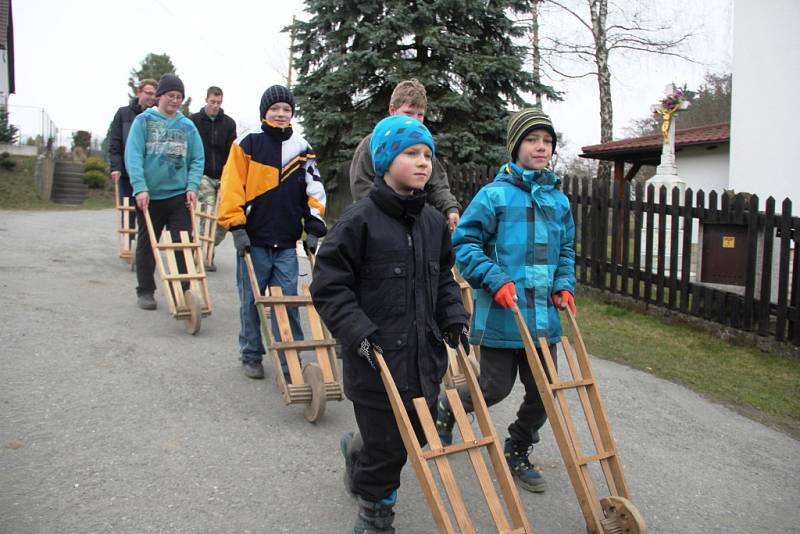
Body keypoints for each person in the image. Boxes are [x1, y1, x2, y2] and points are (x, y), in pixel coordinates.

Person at [311, 115, 468, 533]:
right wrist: (359, 333)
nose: (423, 163)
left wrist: (453, 317)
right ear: (384, 161)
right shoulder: (357, 222)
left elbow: (443, 280)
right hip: (375, 362)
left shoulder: (434, 223)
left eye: (427, 155)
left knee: (413, 436)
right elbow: (329, 286)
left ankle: (357, 451)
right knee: (387, 450)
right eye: (411, 153)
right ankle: (375, 513)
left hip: (422, 361)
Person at [435, 106, 576, 494]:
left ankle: (518, 446)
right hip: (502, 313)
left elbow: (565, 250)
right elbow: (463, 243)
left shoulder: (558, 202)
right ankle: (449, 405)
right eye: (532, 140)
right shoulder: (494, 196)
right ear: (516, 146)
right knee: (494, 388)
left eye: (547, 141)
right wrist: (493, 278)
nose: (541, 147)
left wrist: (565, 284)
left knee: (546, 394)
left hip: (544, 318)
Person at [217, 85, 327, 380]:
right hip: (253, 241)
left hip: (287, 244)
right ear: (264, 112)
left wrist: (314, 227)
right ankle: (251, 353)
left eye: (286, 109)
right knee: (252, 301)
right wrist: (236, 227)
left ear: (292, 113)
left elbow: (314, 190)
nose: (280, 114)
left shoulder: (302, 148)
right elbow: (230, 187)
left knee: (288, 302)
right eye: (275, 109)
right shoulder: (247, 144)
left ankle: (290, 357)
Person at [125, 74, 205, 310]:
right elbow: (134, 155)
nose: (175, 100)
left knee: (182, 243)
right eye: (171, 95)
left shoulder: (187, 126)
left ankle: (184, 291)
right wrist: (139, 188)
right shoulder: (144, 121)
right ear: (160, 95)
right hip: (149, 196)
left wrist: (192, 186)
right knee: (148, 243)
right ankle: (146, 291)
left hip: (178, 195)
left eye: (179, 97)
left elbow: (197, 159)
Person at [349, 79, 462, 231]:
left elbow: (437, 184)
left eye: (420, 115)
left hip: (414, 222)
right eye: (408, 113)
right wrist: (380, 216)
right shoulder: (373, 144)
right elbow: (361, 186)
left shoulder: (423, 146)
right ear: (393, 110)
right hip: (377, 225)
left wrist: (450, 208)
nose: (414, 119)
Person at [190, 86, 238, 270]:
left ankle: (208, 248)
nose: (215, 106)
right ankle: (201, 255)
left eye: (219, 103)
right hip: (202, 174)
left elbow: (232, 152)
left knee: (222, 220)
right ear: (206, 100)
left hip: (223, 176)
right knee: (208, 213)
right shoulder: (194, 121)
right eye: (212, 102)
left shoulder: (228, 123)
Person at [108, 78, 158, 235]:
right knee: (128, 206)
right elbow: (115, 142)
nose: (151, 97)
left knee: (147, 209)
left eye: (154, 95)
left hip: (149, 171)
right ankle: (128, 242)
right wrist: (115, 167)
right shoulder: (123, 114)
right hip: (126, 170)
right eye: (148, 93)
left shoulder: (156, 117)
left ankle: (146, 244)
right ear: (139, 92)